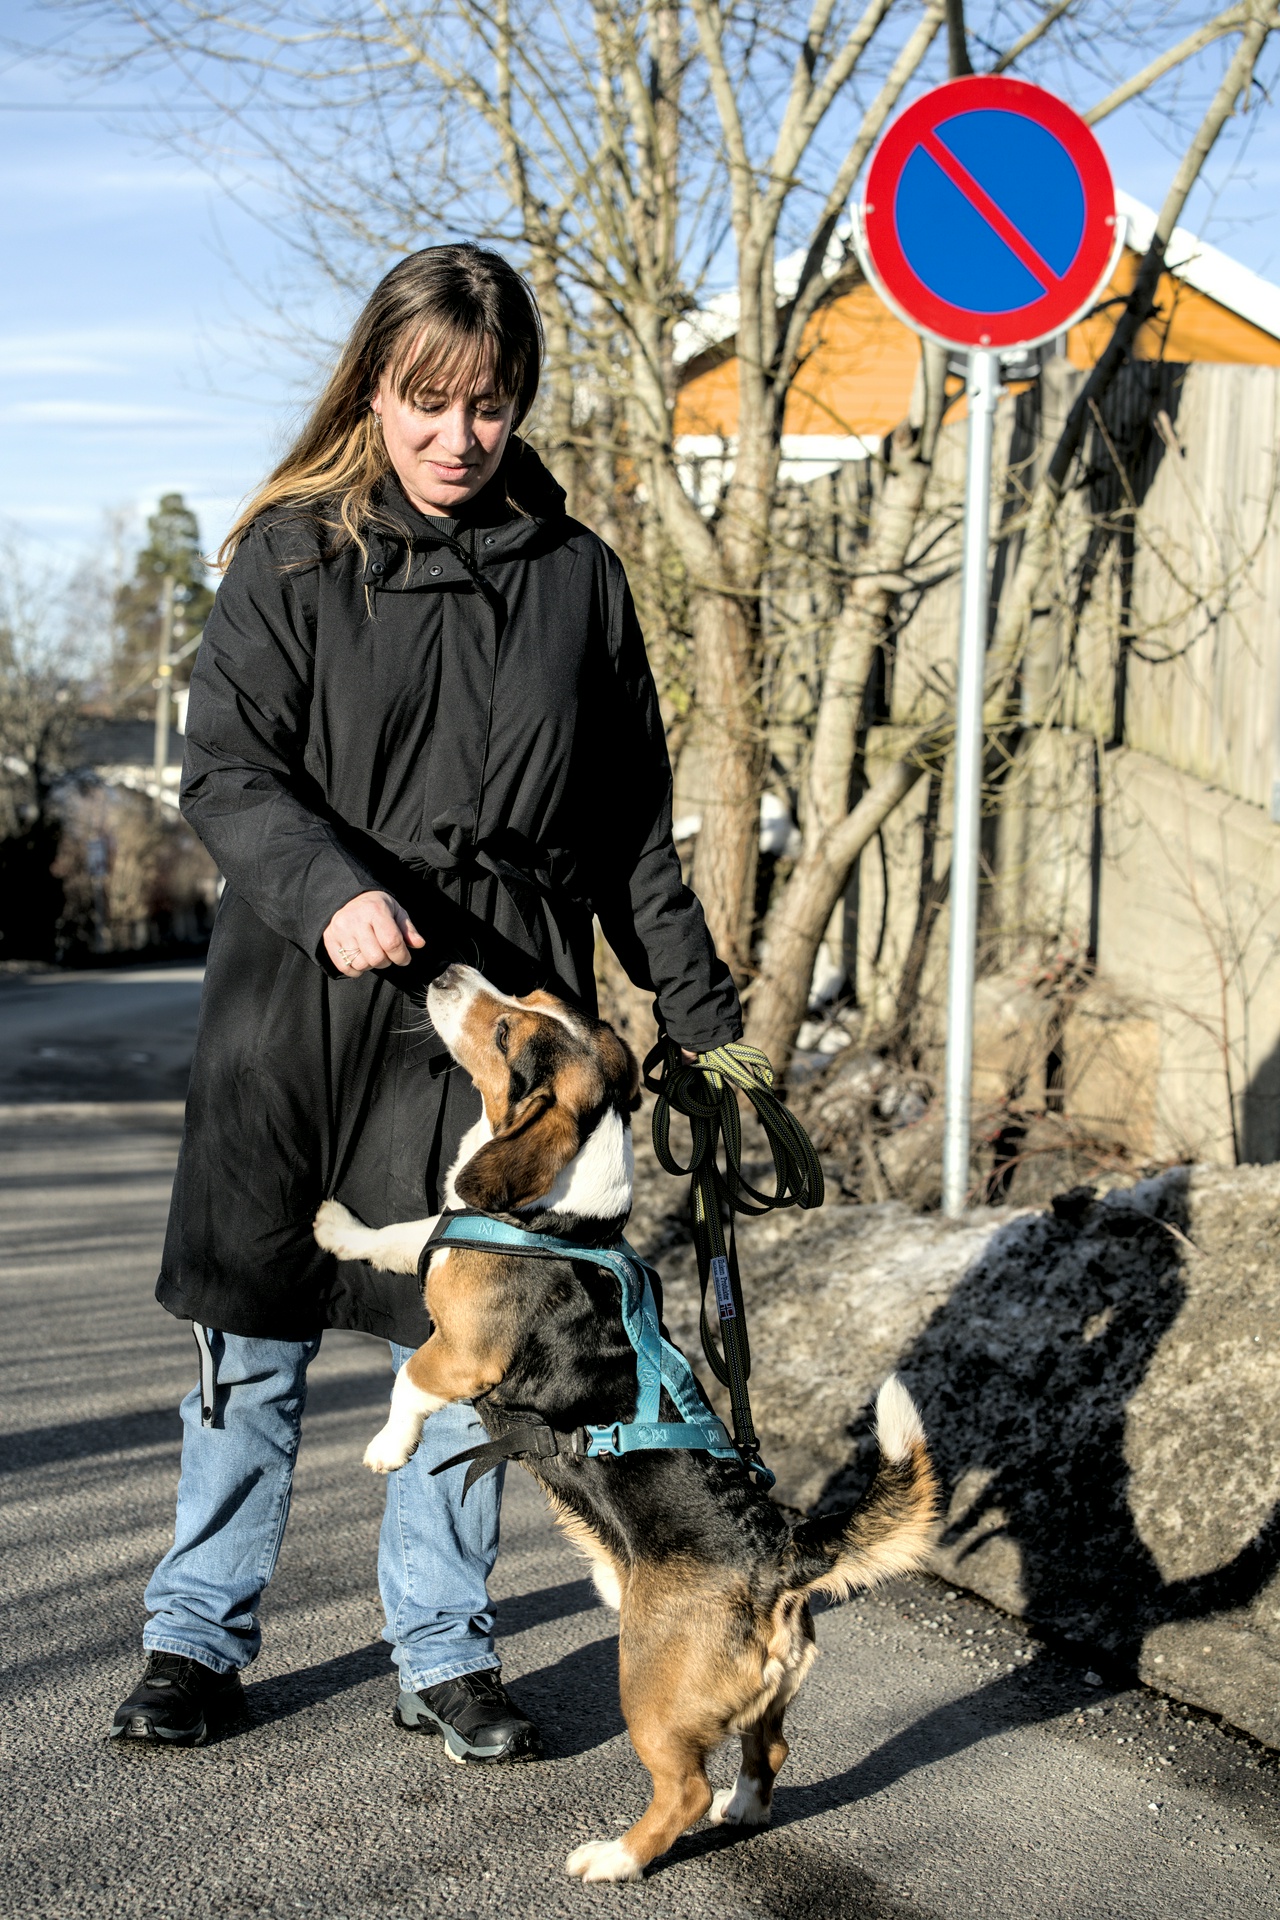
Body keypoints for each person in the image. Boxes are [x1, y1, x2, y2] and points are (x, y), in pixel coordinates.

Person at [109, 244, 742, 1758]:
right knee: (250, 1337)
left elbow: (630, 829)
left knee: (468, 1345)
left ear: (521, 405)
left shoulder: (575, 579)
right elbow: (230, 774)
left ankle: (443, 1646)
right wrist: (332, 895)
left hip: (491, 1030)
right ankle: (196, 1637)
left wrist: (702, 1016)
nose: (458, 440)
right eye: (427, 402)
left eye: (490, 406)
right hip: (298, 1003)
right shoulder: (288, 554)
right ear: (374, 388)